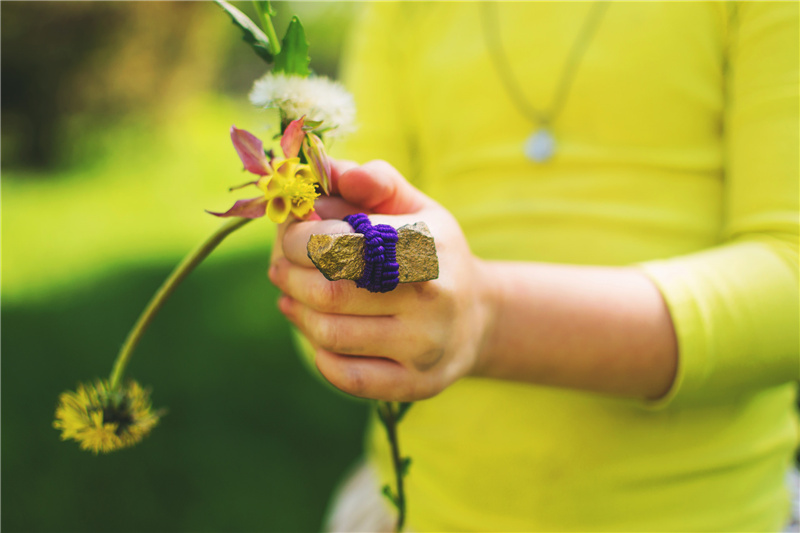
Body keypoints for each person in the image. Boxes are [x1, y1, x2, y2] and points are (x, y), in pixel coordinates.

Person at [268, 2, 799, 531]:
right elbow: (341, 284)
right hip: (420, 512)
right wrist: (329, 278)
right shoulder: (402, 10)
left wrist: (487, 318)